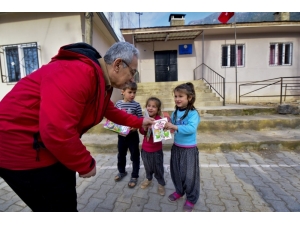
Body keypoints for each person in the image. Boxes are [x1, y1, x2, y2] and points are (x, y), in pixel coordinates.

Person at [0, 42, 154, 212]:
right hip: (23, 149)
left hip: (45, 146)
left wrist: (139, 122)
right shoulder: (78, 72)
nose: (132, 79)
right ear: (118, 64)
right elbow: (56, 131)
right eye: (132, 72)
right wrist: (84, 163)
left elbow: (106, 108)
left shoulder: (99, 79)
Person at [163, 82, 201, 212]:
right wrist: (166, 123)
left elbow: (191, 128)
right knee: (176, 172)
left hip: (189, 149)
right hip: (177, 147)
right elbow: (172, 128)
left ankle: (191, 198)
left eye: (181, 96)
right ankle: (179, 191)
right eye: (175, 96)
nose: (177, 99)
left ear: (189, 98)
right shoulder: (174, 113)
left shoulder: (193, 113)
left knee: (190, 176)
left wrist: (174, 126)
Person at [114, 82, 143, 188]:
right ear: (122, 92)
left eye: (134, 92)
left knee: (135, 156)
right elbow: (115, 118)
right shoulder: (118, 104)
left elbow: (140, 119)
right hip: (121, 135)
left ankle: (134, 176)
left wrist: (135, 127)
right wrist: (116, 128)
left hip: (133, 136)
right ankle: (121, 171)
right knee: (121, 154)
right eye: (130, 92)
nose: (132, 95)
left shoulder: (136, 105)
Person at [139, 97, 166, 196]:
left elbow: (162, 135)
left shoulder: (160, 121)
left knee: (158, 168)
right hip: (145, 149)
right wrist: (145, 128)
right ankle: (149, 178)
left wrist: (156, 128)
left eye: (153, 106)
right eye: (149, 106)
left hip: (156, 150)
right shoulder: (144, 119)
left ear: (158, 109)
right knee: (147, 166)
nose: (150, 108)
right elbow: (141, 132)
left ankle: (161, 183)